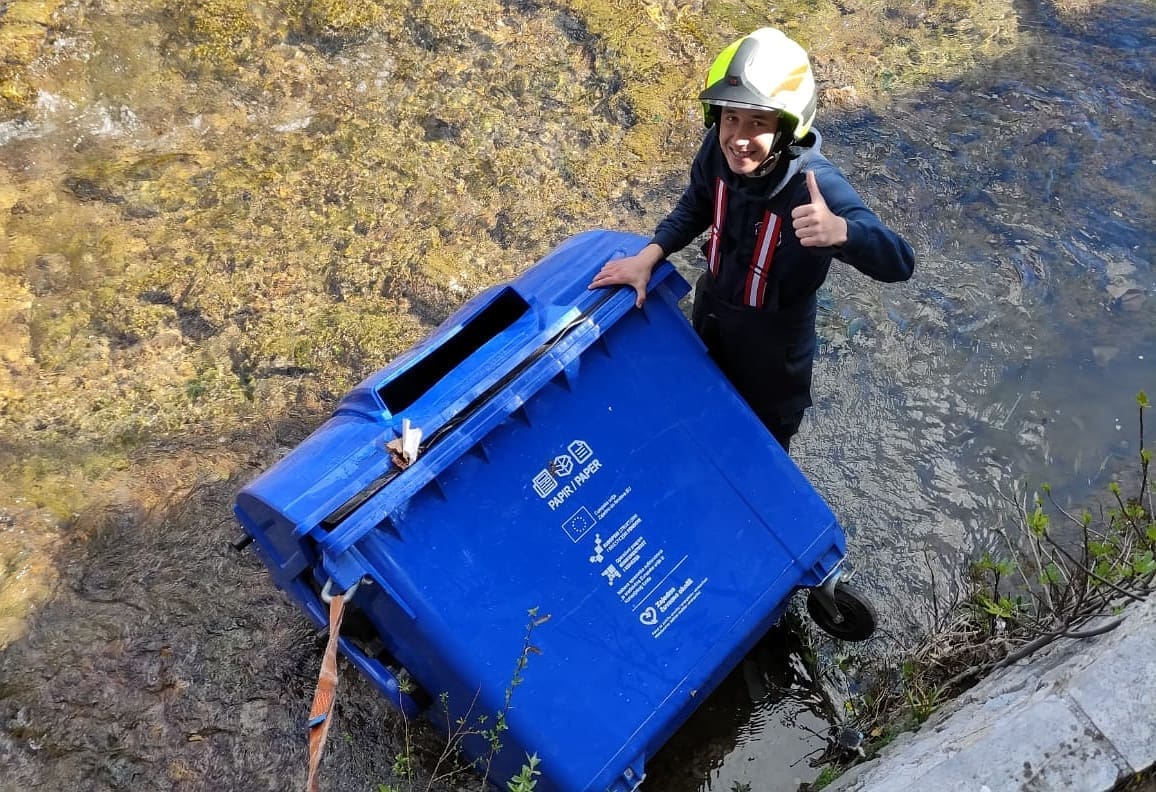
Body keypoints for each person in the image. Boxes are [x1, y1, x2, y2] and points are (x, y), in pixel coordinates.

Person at [589, 27, 915, 452]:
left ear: (786, 129)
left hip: (774, 353)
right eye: (731, 118)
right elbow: (696, 205)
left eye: (757, 122)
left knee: (758, 445)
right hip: (714, 316)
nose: (739, 138)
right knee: (699, 419)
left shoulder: (817, 186)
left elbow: (900, 262)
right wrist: (651, 255)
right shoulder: (718, 150)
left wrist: (842, 232)